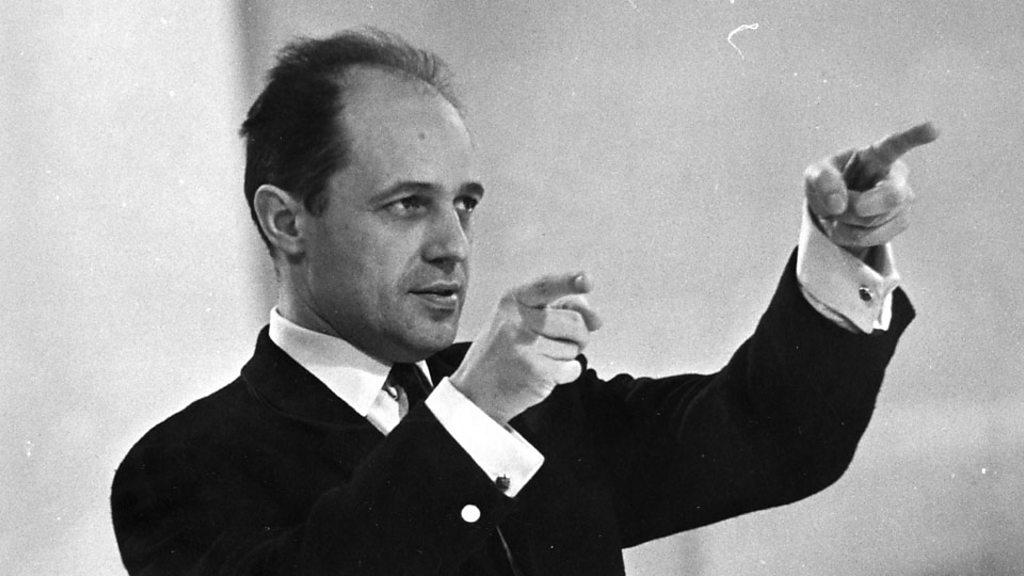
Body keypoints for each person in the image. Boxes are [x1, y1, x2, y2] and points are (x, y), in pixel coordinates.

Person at [111, 28, 936, 575]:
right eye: (407, 204)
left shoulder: (539, 410)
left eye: (463, 203)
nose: (453, 244)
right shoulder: (178, 470)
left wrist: (838, 250)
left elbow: (773, 439)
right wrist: (472, 414)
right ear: (286, 221)